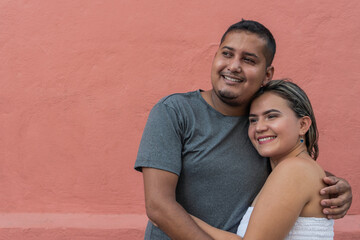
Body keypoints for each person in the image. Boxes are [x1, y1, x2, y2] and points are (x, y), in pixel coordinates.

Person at [134, 20, 352, 240]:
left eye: (248, 60)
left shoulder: (264, 130)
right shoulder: (175, 112)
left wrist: (336, 187)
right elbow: (158, 206)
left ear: (267, 75)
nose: (234, 66)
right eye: (227, 54)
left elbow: (296, 170)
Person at [191, 80, 335, 239]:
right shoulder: (297, 168)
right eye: (253, 120)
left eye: (271, 116)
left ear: (303, 125)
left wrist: (176, 217)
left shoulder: (295, 169)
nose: (259, 127)